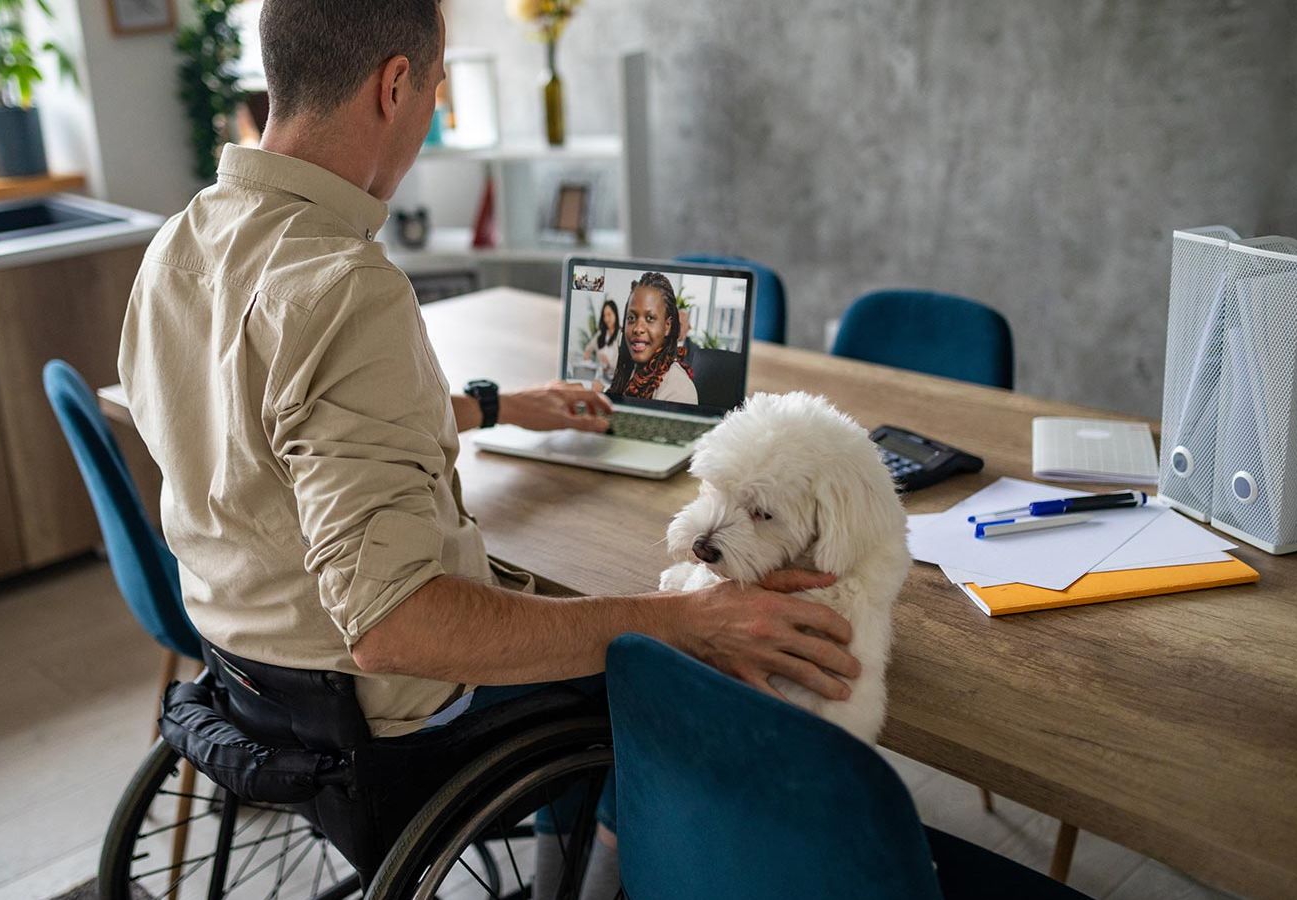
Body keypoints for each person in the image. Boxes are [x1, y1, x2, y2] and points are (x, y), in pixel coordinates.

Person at [119, 0, 858, 895]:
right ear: (395, 86)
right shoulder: (345, 287)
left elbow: (268, 434)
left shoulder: (180, 244)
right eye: (433, 91)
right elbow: (396, 627)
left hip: (257, 683)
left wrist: (499, 405)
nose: (428, 118)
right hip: (402, 724)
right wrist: (681, 624)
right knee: (686, 660)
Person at [606, 272, 698, 404]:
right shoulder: (629, 371)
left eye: (650, 318)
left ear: (667, 326)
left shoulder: (678, 389)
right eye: (631, 318)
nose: (638, 328)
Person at [581, 298, 621, 383]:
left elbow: (623, 365)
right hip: (601, 379)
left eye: (609, 314)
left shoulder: (621, 334)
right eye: (604, 315)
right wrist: (587, 355)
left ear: (615, 314)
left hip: (616, 382)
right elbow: (588, 349)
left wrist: (608, 364)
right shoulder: (601, 334)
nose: (606, 319)